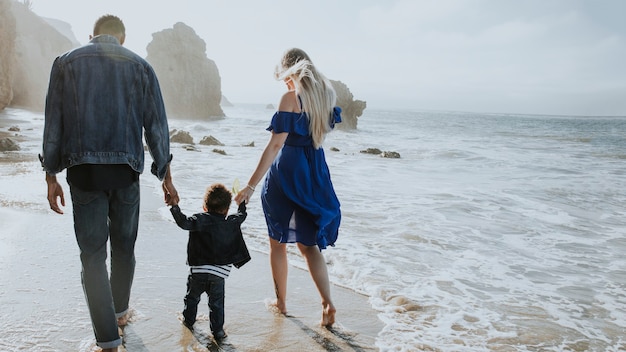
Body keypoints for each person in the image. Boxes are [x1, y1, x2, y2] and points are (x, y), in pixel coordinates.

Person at [40, 15, 178, 352]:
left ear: (92, 36)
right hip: (127, 174)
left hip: (84, 173)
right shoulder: (141, 67)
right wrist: (166, 176)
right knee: (124, 249)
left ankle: (108, 341)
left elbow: (53, 122)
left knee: (92, 256)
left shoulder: (66, 63)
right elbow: (157, 126)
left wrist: (51, 176)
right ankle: (118, 313)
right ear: (122, 39)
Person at [234, 47, 342, 327]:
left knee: (277, 242)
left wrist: (249, 185)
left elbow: (275, 145)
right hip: (315, 174)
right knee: (309, 246)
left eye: (285, 76)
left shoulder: (290, 98)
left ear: (292, 70)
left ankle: (281, 303)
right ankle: (328, 303)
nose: (284, 83)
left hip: (287, 175)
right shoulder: (327, 96)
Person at [167, 183, 250, 340]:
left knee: (192, 298)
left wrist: (174, 206)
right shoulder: (230, 222)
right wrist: (242, 204)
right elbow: (242, 216)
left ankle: (189, 321)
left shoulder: (199, 219)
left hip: (198, 272)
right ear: (226, 209)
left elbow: (183, 222)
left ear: (205, 206)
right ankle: (218, 331)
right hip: (219, 275)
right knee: (216, 305)